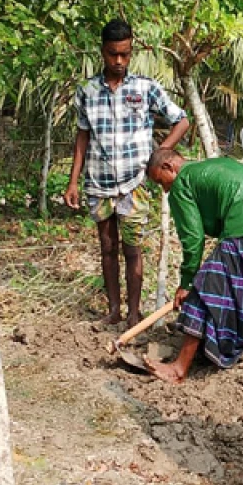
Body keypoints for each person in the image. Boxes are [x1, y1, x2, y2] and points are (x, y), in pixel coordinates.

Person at [65, 20, 191, 327]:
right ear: (102, 52)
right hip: (98, 182)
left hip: (134, 183)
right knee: (107, 248)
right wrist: (73, 181)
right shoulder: (87, 91)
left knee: (132, 249)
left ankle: (134, 313)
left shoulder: (145, 88)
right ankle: (114, 311)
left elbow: (182, 120)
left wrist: (159, 155)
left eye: (124, 54)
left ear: (131, 51)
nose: (118, 61)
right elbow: (82, 136)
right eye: (112, 54)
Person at [141, 147, 243, 383]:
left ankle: (179, 369)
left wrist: (187, 282)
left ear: (169, 167)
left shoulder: (182, 183)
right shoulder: (212, 166)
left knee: (205, 287)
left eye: (162, 182)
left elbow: (193, 238)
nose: (165, 190)